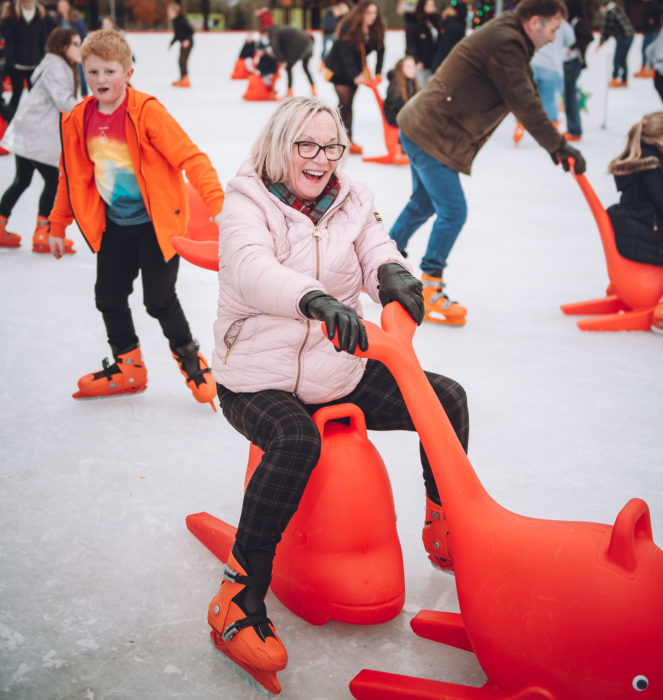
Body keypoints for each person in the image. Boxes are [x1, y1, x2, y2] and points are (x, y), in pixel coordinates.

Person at [206, 95, 469, 687]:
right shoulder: (247, 202)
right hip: (256, 375)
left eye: (331, 146)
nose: (321, 158)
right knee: (296, 439)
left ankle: (446, 525)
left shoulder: (352, 197)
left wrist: (393, 274)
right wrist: (314, 299)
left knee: (445, 400)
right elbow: (251, 268)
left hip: (336, 370)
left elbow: (374, 249)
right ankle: (237, 598)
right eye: (307, 145)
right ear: (280, 145)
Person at [47, 30, 225, 406]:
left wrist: (218, 206)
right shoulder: (78, 119)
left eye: (109, 71)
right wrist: (57, 224)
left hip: (157, 227)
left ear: (128, 73)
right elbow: (70, 177)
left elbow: (192, 158)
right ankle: (129, 367)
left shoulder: (146, 112)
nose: (100, 80)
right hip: (114, 225)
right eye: (92, 72)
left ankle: (191, 360)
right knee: (108, 296)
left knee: (159, 300)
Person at [388, 0, 586, 326]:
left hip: (426, 128)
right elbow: (522, 100)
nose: (553, 38)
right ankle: (429, 287)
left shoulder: (510, 37)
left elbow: (528, 91)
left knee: (422, 204)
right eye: (552, 29)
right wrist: (558, 144)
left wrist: (556, 147)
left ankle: (384, 264)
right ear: (535, 22)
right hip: (432, 134)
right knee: (453, 212)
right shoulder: (506, 42)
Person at [0, 27, 80, 250]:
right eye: (76, 44)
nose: (80, 49)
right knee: (53, 180)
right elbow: (64, 100)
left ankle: (1, 224)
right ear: (63, 47)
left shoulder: (58, 64)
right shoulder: (56, 66)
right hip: (35, 134)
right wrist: (91, 109)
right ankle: (43, 232)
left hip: (29, 132)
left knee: (22, 180)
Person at [323, 0, 385, 154]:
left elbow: (381, 49)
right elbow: (344, 51)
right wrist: (354, 75)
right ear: (361, 13)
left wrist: (378, 71)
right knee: (345, 103)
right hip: (339, 67)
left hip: (355, 69)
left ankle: (345, 138)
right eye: (369, 13)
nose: (372, 17)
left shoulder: (374, 29)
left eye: (375, 13)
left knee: (349, 104)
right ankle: (337, 138)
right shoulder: (349, 25)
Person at [606, 112, 663, 266]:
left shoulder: (639, 157)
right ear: (660, 137)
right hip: (646, 239)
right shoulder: (650, 164)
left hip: (636, 232)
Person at [0, 0, 52, 121]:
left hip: (34, 64)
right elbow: (9, 42)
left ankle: (37, 122)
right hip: (16, 65)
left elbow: (43, 40)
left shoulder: (40, 15)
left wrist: (43, 60)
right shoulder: (12, 15)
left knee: (37, 96)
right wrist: (10, 62)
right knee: (16, 96)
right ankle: (11, 124)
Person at [561, 0, 593, 142]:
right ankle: (573, 129)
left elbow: (588, 37)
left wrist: (572, 47)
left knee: (570, 95)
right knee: (569, 95)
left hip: (573, 63)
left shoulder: (576, 22)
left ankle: (574, 130)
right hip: (569, 63)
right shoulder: (570, 23)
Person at [267, 24, 316, 98]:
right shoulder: (282, 30)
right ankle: (314, 90)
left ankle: (290, 92)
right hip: (308, 43)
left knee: (288, 68)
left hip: (299, 47)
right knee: (305, 68)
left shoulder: (274, 33)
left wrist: (283, 60)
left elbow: (276, 47)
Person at [596, 0, 634, 88]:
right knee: (622, 58)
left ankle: (615, 79)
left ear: (603, 7)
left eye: (600, 10)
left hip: (623, 37)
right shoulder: (616, 9)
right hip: (630, 35)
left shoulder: (610, 13)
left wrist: (601, 42)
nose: (600, 12)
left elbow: (607, 28)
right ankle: (624, 80)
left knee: (617, 58)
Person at [53, 0, 87, 95]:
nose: (62, 8)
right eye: (60, 6)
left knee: (80, 74)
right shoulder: (57, 21)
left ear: (68, 6)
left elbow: (83, 34)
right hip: (62, 52)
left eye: (64, 6)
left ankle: (84, 95)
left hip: (76, 50)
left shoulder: (76, 19)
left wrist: (79, 46)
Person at [404, 0, 441, 86]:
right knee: (421, 85)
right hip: (421, 61)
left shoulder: (435, 21)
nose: (433, 8)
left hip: (433, 61)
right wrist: (417, 60)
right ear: (423, 6)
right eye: (430, 5)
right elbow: (411, 43)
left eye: (433, 5)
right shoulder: (414, 23)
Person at [430, 0, 468, 72]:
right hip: (447, 63)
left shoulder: (448, 22)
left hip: (442, 62)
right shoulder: (455, 26)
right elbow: (449, 46)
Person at [383, 55, 419, 127]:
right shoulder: (396, 84)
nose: (412, 70)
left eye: (413, 67)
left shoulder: (411, 81)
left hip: (406, 114)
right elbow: (398, 105)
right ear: (401, 68)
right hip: (396, 117)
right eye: (409, 67)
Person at [167, 2, 194, 87]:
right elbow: (177, 35)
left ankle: (186, 79)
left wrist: (187, 40)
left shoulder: (181, 19)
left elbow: (191, 31)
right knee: (180, 60)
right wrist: (171, 44)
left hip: (188, 42)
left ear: (175, 11)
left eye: (170, 12)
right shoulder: (175, 21)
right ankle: (182, 78)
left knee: (183, 60)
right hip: (183, 42)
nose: (169, 14)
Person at [636, 0, 661, 78]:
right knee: (644, 50)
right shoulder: (647, 5)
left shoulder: (654, 4)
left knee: (651, 51)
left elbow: (659, 13)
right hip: (646, 31)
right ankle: (643, 69)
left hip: (652, 31)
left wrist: (654, 20)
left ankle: (652, 70)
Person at [647, 25, 663, 101]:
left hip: (659, 67)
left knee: (659, 85)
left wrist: (649, 66)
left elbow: (649, 50)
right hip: (659, 65)